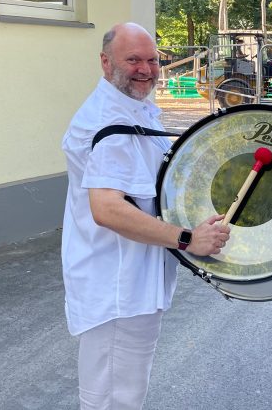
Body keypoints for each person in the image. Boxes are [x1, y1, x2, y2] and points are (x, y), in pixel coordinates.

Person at [61, 22, 230, 409]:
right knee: (112, 400)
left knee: (125, 393)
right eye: (133, 59)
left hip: (132, 284)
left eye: (153, 60)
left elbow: (152, 189)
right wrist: (187, 239)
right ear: (106, 63)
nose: (146, 69)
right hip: (117, 288)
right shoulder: (110, 123)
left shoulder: (134, 107)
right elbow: (107, 209)